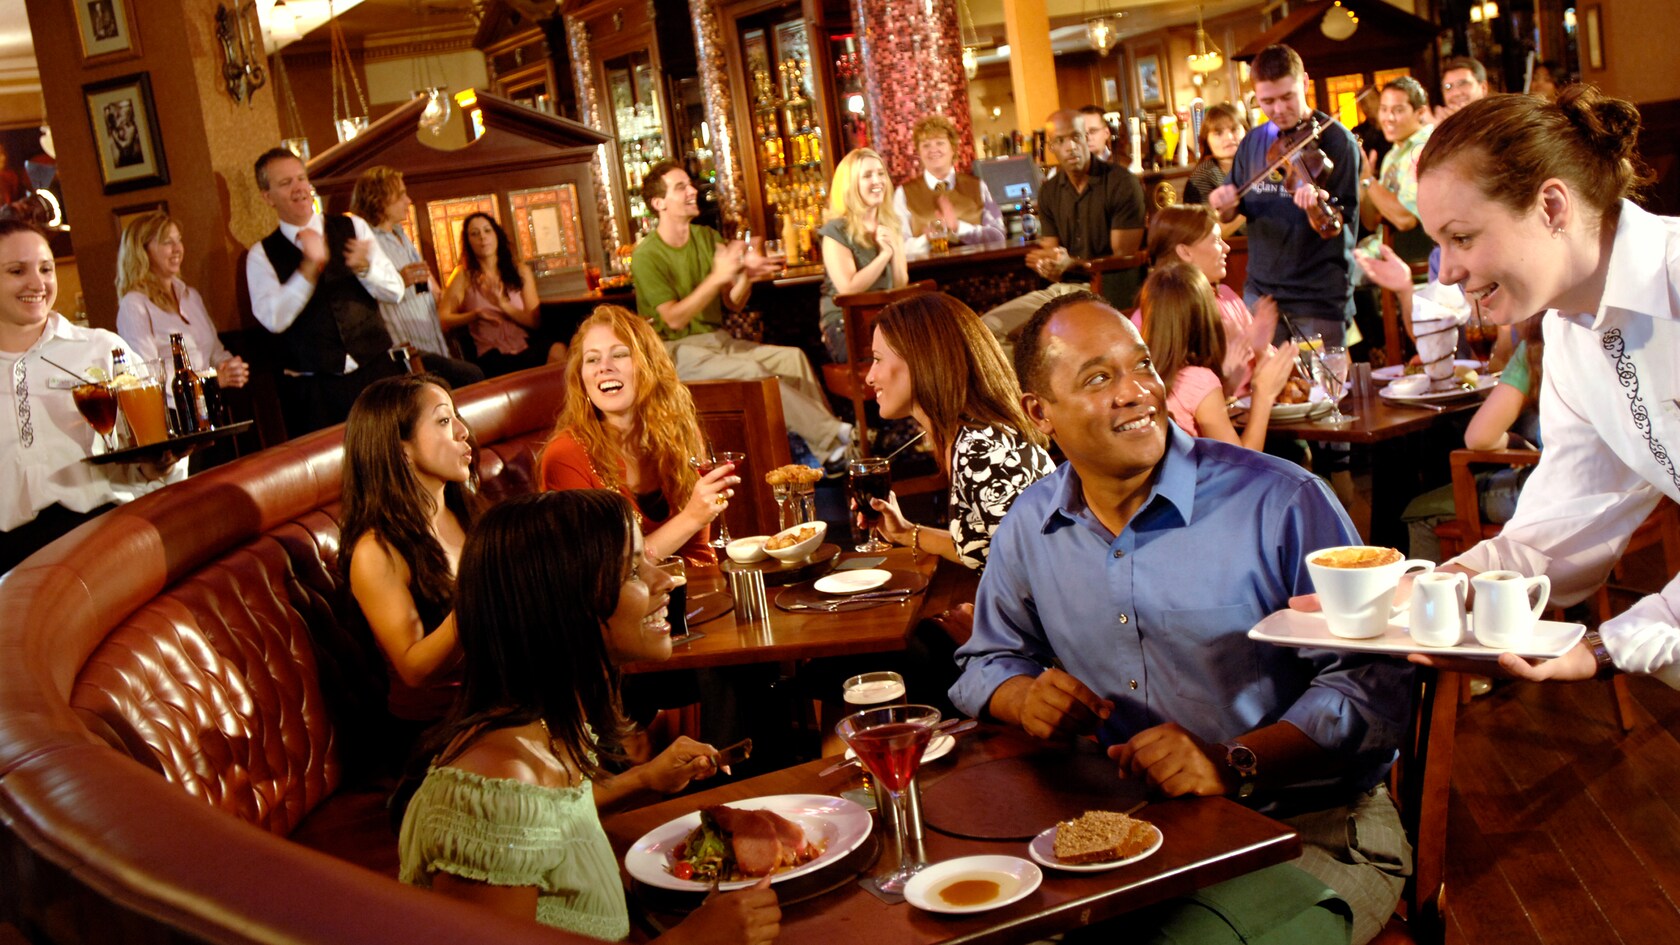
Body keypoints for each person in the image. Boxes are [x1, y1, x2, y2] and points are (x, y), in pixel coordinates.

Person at [951, 290, 1412, 944]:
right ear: (1038, 413)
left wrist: (1233, 760)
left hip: (1309, 831)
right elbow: (984, 660)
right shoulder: (1031, 523)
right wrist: (1021, 695)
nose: (1136, 390)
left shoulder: (1280, 499)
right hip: (1129, 832)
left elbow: (1373, 688)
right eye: (1098, 377)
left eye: (1142, 366)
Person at [1377, 86, 1680, 688]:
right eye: (1439, 245)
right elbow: (1569, 520)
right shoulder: (1570, 337)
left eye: (1461, 237)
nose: (1449, 271)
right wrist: (1437, 589)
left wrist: (1611, 642)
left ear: (1551, 207)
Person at [397, 490, 781, 943]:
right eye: (633, 570)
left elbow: (547, 825)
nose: (666, 582)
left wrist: (642, 780)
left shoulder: (546, 729)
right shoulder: (497, 786)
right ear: (562, 604)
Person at [632, 161, 850, 465]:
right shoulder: (646, 255)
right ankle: (836, 436)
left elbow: (733, 302)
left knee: (793, 359)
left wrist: (746, 272)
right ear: (659, 204)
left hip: (718, 341)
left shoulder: (706, 237)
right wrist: (718, 276)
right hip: (674, 352)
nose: (692, 191)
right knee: (753, 374)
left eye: (690, 185)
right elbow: (674, 318)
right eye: (680, 187)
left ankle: (832, 455)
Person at [0, 220, 182, 573]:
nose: (37, 284)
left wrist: (156, 465)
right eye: (16, 271)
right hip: (11, 561)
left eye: (46, 269)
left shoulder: (102, 349)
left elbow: (153, 450)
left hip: (104, 538)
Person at [860, 292, 1053, 570]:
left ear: (921, 360)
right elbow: (983, 549)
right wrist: (903, 531)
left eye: (877, 359)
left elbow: (1035, 573)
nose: (869, 376)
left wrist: (982, 614)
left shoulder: (982, 451)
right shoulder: (968, 438)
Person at [340, 375, 479, 746]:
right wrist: (485, 593)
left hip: (498, 701)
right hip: (440, 731)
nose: (464, 432)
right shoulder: (376, 551)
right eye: (445, 420)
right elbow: (414, 669)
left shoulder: (464, 511)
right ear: (401, 449)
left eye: (457, 417)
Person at [539, 304, 737, 565]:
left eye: (619, 354)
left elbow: (698, 553)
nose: (604, 367)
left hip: (684, 594)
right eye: (592, 359)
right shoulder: (565, 456)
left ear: (650, 367)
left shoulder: (679, 434)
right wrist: (692, 517)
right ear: (581, 377)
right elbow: (605, 570)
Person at [245, 147, 405, 437]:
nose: (299, 188)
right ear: (267, 197)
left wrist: (365, 269)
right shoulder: (260, 255)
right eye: (286, 183)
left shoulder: (352, 226)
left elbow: (396, 291)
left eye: (301, 178)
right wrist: (309, 267)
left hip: (376, 372)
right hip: (316, 392)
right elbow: (274, 319)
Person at [1209, 44, 1360, 346]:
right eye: (1268, 101)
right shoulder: (1253, 141)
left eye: (1287, 97)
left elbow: (1338, 222)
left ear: (1304, 83)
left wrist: (1316, 206)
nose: (1278, 110)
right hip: (1261, 295)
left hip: (1317, 296)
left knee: (1323, 389)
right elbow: (1231, 211)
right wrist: (1222, 204)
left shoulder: (1338, 141)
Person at [348, 167, 484, 391]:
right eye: (400, 195)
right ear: (379, 199)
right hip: (405, 349)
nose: (408, 200)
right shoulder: (366, 239)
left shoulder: (399, 233)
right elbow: (366, 292)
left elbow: (422, 280)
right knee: (471, 377)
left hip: (431, 336)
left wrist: (440, 296)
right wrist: (398, 280)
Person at [1139, 262, 1294, 451]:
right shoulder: (1197, 379)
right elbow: (1241, 464)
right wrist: (1263, 393)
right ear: (1205, 317)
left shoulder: (1142, 374)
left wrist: (1227, 386)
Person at [1142, 203, 1278, 398]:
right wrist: (1227, 379)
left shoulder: (1227, 296)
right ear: (1185, 252)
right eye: (1216, 240)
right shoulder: (1156, 313)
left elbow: (1272, 377)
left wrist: (1261, 348)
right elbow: (1175, 396)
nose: (1227, 247)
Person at [115, 210, 251, 390]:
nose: (178, 248)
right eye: (167, 242)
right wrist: (212, 381)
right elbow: (148, 377)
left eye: (178, 240)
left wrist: (230, 367)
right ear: (142, 251)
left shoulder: (191, 296)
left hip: (209, 403)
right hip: (175, 412)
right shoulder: (134, 305)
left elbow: (214, 352)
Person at [1025, 110, 1146, 312]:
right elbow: (1052, 250)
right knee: (993, 325)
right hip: (1064, 289)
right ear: (1051, 147)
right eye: (1060, 141)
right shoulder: (1049, 191)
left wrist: (1072, 264)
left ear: (1086, 138)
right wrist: (1048, 265)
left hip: (1111, 290)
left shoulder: (1122, 183)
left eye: (1076, 137)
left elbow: (1123, 259)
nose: (1071, 147)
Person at [819, 148, 908, 362]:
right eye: (867, 176)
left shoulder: (891, 222)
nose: (877, 181)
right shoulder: (836, 231)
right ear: (851, 186)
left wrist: (893, 251)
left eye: (880, 173)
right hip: (847, 326)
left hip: (885, 320)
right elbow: (848, 289)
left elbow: (900, 284)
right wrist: (884, 256)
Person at [438, 213, 548, 379]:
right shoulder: (463, 275)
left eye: (487, 231)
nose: (482, 237)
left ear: (496, 235)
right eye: (475, 233)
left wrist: (503, 305)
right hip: (491, 352)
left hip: (525, 343)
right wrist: (474, 315)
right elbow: (443, 318)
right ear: (468, 242)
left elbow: (535, 321)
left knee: (558, 350)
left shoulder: (520, 271)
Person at [891, 115, 1005, 255]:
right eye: (926, 145)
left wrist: (959, 228)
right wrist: (928, 239)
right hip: (926, 273)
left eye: (940, 143)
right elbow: (898, 247)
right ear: (919, 153)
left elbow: (998, 236)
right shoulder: (903, 194)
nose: (933, 149)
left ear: (953, 148)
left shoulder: (977, 186)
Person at [1359, 77, 1434, 267]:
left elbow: (1405, 219)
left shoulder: (1423, 149)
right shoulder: (1393, 154)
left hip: (1405, 258)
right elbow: (1372, 221)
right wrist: (1363, 179)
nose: (1388, 118)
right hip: (1379, 249)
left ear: (1420, 112)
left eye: (1398, 110)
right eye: (1384, 109)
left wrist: (1369, 179)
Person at [1181, 102, 1247, 236]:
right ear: (1207, 140)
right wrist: (1251, 205)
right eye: (1218, 133)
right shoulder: (1203, 177)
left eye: (1234, 130)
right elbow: (1209, 233)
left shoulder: (1257, 164)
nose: (1229, 138)